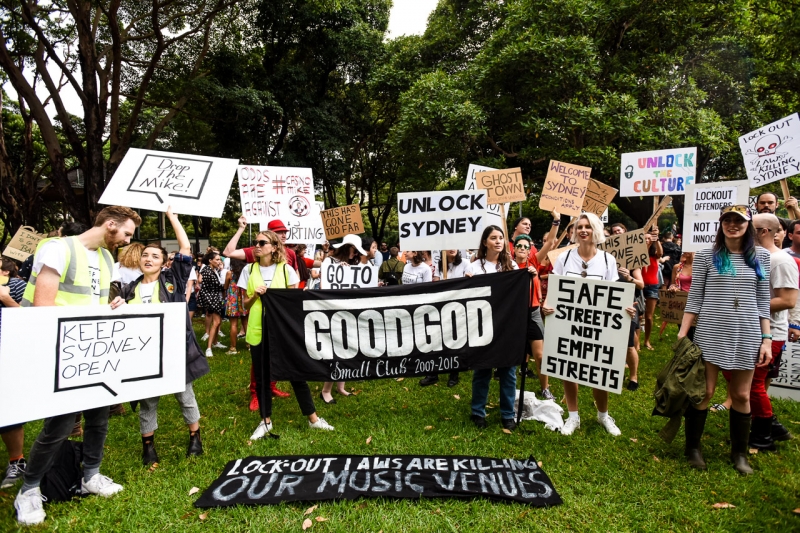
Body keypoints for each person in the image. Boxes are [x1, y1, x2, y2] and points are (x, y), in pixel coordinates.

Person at [14, 206, 141, 526]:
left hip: (91, 352)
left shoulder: (106, 259)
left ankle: (91, 475)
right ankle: (28, 489)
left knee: (99, 417)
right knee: (59, 423)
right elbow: (43, 306)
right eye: (126, 233)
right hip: (61, 351)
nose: (127, 241)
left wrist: (114, 306)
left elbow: (98, 301)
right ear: (110, 225)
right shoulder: (59, 248)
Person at [678, 205, 771, 474]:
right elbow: (694, 298)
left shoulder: (761, 257)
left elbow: (763, 300)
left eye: (738, 220)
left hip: (747, 332)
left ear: (748, 224)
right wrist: (683, 334)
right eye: (727, 220)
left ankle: (739, 454)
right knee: (704, 392)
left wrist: (766, 338)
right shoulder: (707, 256)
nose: (733, 225)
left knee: (742, 394)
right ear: (720, 224)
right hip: (710, 331)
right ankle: (693, 448)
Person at [118, 207, 209, 465]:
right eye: (145, 255)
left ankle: (195, 437)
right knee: (148, 402)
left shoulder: (174, 280)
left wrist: (173, 218)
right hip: (145, 356)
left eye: (155, 256)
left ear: (163, 261)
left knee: (185, 397)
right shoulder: (128, 290)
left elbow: (185, 249)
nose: (148, 259)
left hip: (174, 353)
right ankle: (148, 446)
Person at [542, 213, 636, 437]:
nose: (583, 230)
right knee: (568, 369)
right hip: (568, 322)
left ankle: (603, 415)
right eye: (579, 227)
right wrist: (547, 304)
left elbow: (615, 293)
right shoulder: (564, 258)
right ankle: (573, 416)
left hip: (597, 326)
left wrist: (626, 309)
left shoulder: (607, 260)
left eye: (588, 226)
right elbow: (555, 287)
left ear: (595, 230)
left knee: (599, 370)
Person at [242, 230, 334, 439]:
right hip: (257, 331)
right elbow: (244, 304)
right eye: (255, 242)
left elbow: (293, 304)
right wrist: (255, 295)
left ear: (274, 247)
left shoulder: (287, 271)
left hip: (282, 332)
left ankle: (313, 419)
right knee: (262, 376)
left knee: (296, 375)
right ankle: (265, 421)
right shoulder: (248, 270)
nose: (256, 246)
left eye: (262, 242)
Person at [726, 214, 797, 451]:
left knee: (753, 386)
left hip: (769, 334)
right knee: (736, 381)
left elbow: (788, 300)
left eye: (749, 227)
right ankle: (770, 426)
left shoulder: (780, 261)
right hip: (745, 330)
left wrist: (743, 305)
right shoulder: (751, 257)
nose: (741, 230)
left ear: (764, 231)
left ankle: (764, 436)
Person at [465, 225, 519, 431]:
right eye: (493, 238)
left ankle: (507, 414)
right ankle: (478, 411)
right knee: (482, 370)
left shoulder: (511, 265)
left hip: (506, 325)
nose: (498, 241)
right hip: (482, 326)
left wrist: (527, 275)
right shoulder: (474, 268)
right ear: (485, 242)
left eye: (501, 238)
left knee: (508, 372)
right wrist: (467, 283)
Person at [319, 234, 367, 403]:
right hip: (333, 311)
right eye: (354, 250)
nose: (356, 254)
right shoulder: (329, 262)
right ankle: (326, 390)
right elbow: (323, 287)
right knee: (336, 350)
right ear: (347, 248)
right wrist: (341, 273)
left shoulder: (354, 265)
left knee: (348, 348)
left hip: (350, 312)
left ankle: (340, 387)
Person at [609, 224, 645, 391]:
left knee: (629, 345)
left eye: (620, 231)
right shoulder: (606, 260)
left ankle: (634, 376)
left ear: (625, 234)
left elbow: (641, 284)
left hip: (628, 306)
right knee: (612, 343)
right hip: (610, 305)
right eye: (614, 231)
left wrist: (629, 277)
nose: (617, 233)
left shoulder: (633, 261)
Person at [1, 257, 27, 489]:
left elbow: (34, 317)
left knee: (6, 408)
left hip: (5, 351)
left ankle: (16, 460)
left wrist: (7, 300)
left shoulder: (15, 285)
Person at [197, 251, 226, 357]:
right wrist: (227, 280)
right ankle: (209, 348)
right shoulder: (208, 271)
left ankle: (215, 342)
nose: (219, 261)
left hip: (213, 298)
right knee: (217, 322)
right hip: (211, 299)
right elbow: (220, 286)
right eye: (217, 259)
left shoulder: (212, 269)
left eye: (220, 259)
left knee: (217, 321)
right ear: (210, 260)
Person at [641, 228, 663, 350]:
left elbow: (660, 252)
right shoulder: (638, 253)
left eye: (649, 238)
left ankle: (647, 340)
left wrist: (657, 239)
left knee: (649, 316)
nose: (647, 240)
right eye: (645, 238)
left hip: (652, 286)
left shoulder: (655, 255)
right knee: (638, 316)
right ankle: (636, 341)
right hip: (639, 285)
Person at [224, 258, 249, 354]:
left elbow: (226, 286)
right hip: (243, 299)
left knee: (233, 324)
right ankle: (249, 345)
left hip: (233, 300)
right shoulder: (245, 272)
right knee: (246, 322)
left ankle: (233, 348)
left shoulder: (230, 273)